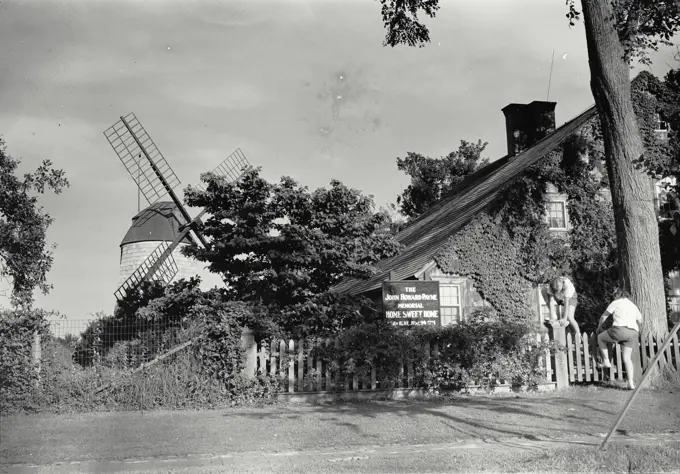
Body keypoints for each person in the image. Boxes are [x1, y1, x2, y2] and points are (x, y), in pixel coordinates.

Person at [596, 288, 643, 390]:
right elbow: (640, 320)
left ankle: (606, 361)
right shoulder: (632, 305)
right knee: (627, 358)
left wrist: (599, 327)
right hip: (633, 332)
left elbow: (604, 316)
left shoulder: (615, 302)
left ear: (617, 295)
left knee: (600, 337)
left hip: (620, 330)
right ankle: (630, 383)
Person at [546, 276, 581, 342]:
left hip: (571, 297)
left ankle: (578, 335)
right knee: (557, 318)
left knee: (569, 317)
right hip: (560, 298)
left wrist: (564, 318)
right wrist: (552, 317)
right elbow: (551, 302)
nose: (558, 290)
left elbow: (566, 304)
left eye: (559, 288)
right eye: (556, 289)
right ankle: (568, 333)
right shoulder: (550, 287)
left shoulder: (567, 285)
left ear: (562, 285)